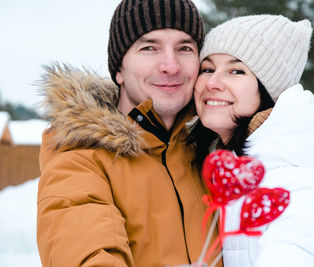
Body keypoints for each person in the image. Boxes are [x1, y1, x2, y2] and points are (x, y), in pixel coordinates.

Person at [36, 1, 222, 266]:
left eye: (184, 48)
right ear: (119, 70)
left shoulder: (209, 155)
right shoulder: (78, 162)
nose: (171, 66)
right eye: (149, 48)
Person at [190, 15, 314, 266]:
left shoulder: (300, 184)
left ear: (269, 90)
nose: (212, 82)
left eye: (236, 71)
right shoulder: (226, 171)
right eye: (207, 69)